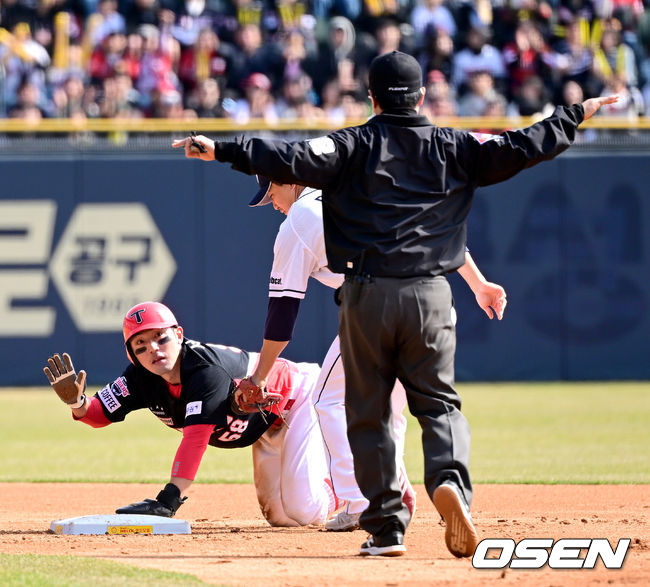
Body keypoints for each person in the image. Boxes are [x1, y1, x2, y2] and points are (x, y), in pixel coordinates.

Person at [172, 50, 617, 558]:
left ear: (371, 97)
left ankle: (386, 526)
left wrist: (222, 150)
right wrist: (572, 115)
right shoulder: (453, 144)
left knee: (364, 410)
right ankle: (449, 480)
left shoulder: (349, 145)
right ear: (423, 96)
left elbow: (289, 156)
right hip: (432, 292)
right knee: (439, 404)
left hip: (367, 295)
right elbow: (520, 146)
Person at [242, 175, 506, 533]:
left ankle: (364, 502)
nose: (272, 204)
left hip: (378, 308)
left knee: (328, 401)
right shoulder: (365, 188)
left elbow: (282, 314)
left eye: (271, 193)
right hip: (436, 302)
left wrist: (259, 376)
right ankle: (398, 489)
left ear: (290, 180)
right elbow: (438, 228)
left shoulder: (298, 223)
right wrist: (479, 284)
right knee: (393, 409)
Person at [43, 301, 344, 528]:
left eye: (160, 337)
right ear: (131, 355)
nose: (154, 349)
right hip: (262, 424)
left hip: (297, 400)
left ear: (178, 334)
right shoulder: (139, 377)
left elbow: (196, 439)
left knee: (304, 510)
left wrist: (169, 500)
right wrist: (76, 402)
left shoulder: (204, 371)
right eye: (141, 344)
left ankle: (360, 486)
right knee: (281, 517)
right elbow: (97, 413)